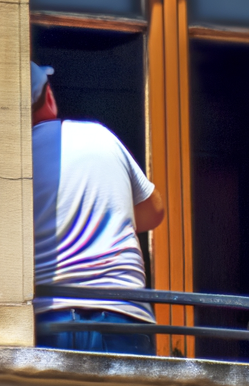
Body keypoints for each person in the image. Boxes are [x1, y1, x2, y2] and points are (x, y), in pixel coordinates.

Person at [31, 61, 166, 355]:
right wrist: (106, 216)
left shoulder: (14, 166)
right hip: (124, 317)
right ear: (49, 97)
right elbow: (155, 209)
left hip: (51, 320)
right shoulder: (99, 136)